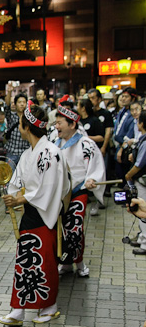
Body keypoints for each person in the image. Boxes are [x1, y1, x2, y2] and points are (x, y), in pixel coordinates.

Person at [0, 103, 70, 327]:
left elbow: (51, 188)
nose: (18, 127)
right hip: (32, 212)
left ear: (26, 127)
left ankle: (50, 307)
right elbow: (17, 180)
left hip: (45, 213)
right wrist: (12, 194)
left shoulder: (52, 152)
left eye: (20, 124)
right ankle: (18, 310)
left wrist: (21, 199)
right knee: (25, 262)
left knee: (45, 262)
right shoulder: (29, 154)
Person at [53, 101, 105, 277]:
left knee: (75, 228)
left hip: (78, 192)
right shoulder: (54, 143)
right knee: (61, 229)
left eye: (60, 123)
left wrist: (92, 179)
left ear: (72, 124)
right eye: (56, 122)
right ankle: (66, 263)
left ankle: (80, 263)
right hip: (58, 195)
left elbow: (96, 165)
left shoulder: (86, 144)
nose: (56, 126)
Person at [123, 111, 146, 256]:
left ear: (142, 123)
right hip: (140, 179)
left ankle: (145, 243)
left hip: (142, 180)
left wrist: (128, 175)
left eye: (138, 121)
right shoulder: (142, 139)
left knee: (143, 210)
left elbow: (139, 164)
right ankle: (142, 237)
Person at [4, 87, 30, 171]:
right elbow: (7, 106)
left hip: (26, 152)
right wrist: (9, 91)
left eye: (24, 102)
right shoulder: (11, 116)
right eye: (19, 102)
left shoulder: (29, 118)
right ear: (15, 104)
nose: (22, 104)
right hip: (12, 152)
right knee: (8, 178)